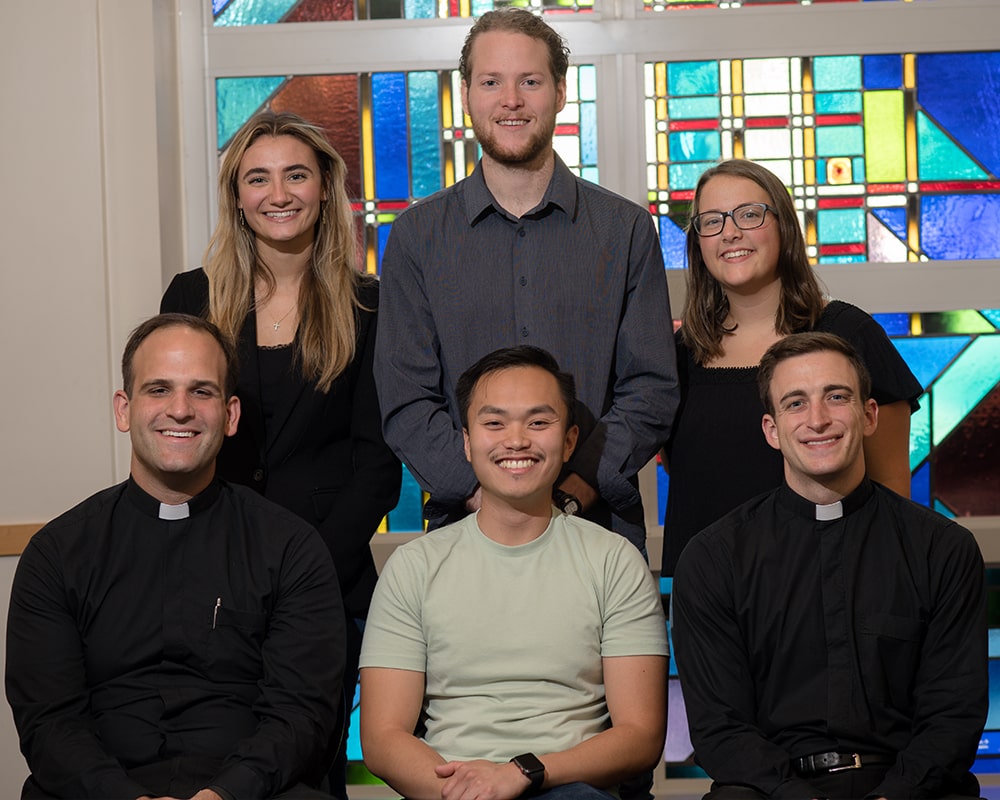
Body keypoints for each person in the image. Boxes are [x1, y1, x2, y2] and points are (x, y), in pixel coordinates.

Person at [6, 313, 344, 800]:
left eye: (201, 391)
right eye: (159, 389)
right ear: (124, 409)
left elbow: (301, 716)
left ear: (230, 416)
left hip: (252, 790)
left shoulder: (291, 548)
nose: (180, 410)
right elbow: (49, 722)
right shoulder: (56, 554)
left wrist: (222, 795)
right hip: (99, 789)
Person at [374, 8, 678, 549]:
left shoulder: (626, 230)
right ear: (466, 93)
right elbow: (407, 399)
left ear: (560, 92)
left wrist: (566, 496)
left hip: (596, 532)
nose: (510, 99)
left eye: (530, 81)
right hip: (461, 537)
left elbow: (649, 388)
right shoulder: (416, 237)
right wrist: (488, 500)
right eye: (492, 82)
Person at [161, 110, 401, 795]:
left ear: (326, 185)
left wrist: (304, 574)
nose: (279, 193)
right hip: (208, 579)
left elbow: (378, 460)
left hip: (328, 581)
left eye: (297, 174)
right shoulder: (193, 296)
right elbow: (174, 434)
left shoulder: (370, 306)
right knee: (208, 767)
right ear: (236, 195)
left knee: (307, 774)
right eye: (257, 177)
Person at [671, 332, 987, 800]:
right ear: (771, 430)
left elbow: (953, 716)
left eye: (836, 397)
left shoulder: (942, 549)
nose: (818, 420)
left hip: (911, 787)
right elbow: (721, 729)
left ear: (869, 414)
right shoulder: (713, 558)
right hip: (771, 791)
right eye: (795, 403)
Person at [360, 346, 668, 800]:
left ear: (568, 441)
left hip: (570, 786)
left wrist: (522, 773)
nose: (517, 440)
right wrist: (470, 790)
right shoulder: (415, 567)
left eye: (538, 422)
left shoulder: (615, 561)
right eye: (494, 423)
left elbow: (641, 736)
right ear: (467, 442)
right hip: (448, 787)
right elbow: (383, 739)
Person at [661, 159, 922, 576]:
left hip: (827, 588)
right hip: (705, 595)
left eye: (749, 214)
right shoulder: (676, 357)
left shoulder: (848, 334)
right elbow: (692, 479)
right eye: (711, 221)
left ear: (783, 228)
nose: (730, 232)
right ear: (697, 244)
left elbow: (892, 489)